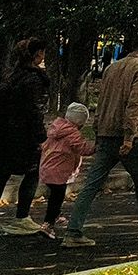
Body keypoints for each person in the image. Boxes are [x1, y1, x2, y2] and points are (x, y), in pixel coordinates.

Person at [61, 32, 138, 247]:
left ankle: (73, 230)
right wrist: (129, 136)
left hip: (105, 131)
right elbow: (136, 102)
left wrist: (97, 128)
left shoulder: (112, 67)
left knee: (91, 185)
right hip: (130, 135)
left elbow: (103, 100)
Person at [0, 37, 50, 237]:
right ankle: (22, 218)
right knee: (32, 173)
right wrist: (41, 136)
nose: (44, 56)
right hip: (23, 135)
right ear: (36, 55)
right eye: (42, 52)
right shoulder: (35, 79)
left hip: (0, 134)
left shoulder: (8, 76)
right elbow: (34, 110)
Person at [39, 101, 96, 238]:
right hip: (59, 171)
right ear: (80, 122)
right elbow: (83, 148)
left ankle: (56, 214)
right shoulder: (72, 134)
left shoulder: (56, 128)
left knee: (54, 193)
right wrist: (96, 146)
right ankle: (48, 223)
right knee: (57, 196)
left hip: (47, 167)